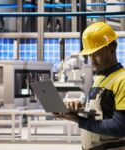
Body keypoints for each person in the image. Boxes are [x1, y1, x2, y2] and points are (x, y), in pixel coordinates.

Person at [54, 22, 125, 150]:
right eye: (89, 55)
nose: (91, 59)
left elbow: (121, 126)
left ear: (112, 49)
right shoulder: (100, 79)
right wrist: (79, 105)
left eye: (96, 53)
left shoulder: (122, 80)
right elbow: (99, 109)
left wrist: (79, 121)